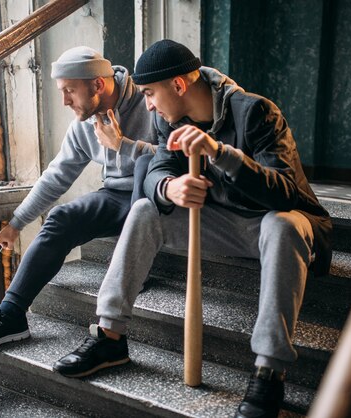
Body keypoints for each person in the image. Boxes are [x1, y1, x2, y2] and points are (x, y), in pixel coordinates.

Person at [54, 40, 332, 418]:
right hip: (223, 224)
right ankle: (109, 338)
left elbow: (285, 193)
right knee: (144, 211)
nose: (147, 104)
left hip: (279, 224)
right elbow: (158, 170)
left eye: (151, 93)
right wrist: (170, 187)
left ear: (179, 86)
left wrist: (219, 152)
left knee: (283, 225)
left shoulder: (256, 112)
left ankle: (269, 371)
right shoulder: (167, 119)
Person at [0, 46, 157, 352]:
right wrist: (16, 223)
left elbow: (178, 157)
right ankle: (11, 315)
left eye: (70, 91)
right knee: (62, 217)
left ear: (98, 85)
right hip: (117, 196)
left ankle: (133, 276)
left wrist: (123, 145)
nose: (64, 101)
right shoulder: (83, 125)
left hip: (157, 197)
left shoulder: (151, 100)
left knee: (145, 178)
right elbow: (56, 176)